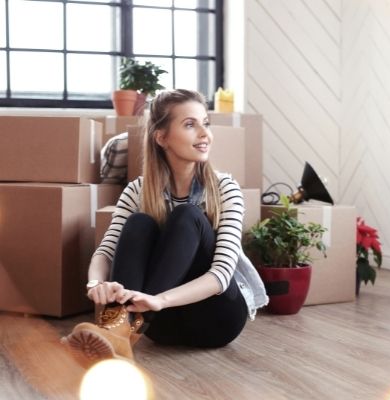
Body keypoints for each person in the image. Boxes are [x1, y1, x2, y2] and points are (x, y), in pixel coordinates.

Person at [62, 89, 268, 367]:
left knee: (187, 216)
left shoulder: (224, 188)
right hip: (160, 326)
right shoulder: (138, 190)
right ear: (161, 137)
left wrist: (159, 300)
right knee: (139, 222)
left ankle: (120, 330)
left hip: (216, 319)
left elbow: (221, 275)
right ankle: (119, 331)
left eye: (205, 123)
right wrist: (96, 283)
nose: (205, 134)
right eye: (190, 125)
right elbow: (105, 251)